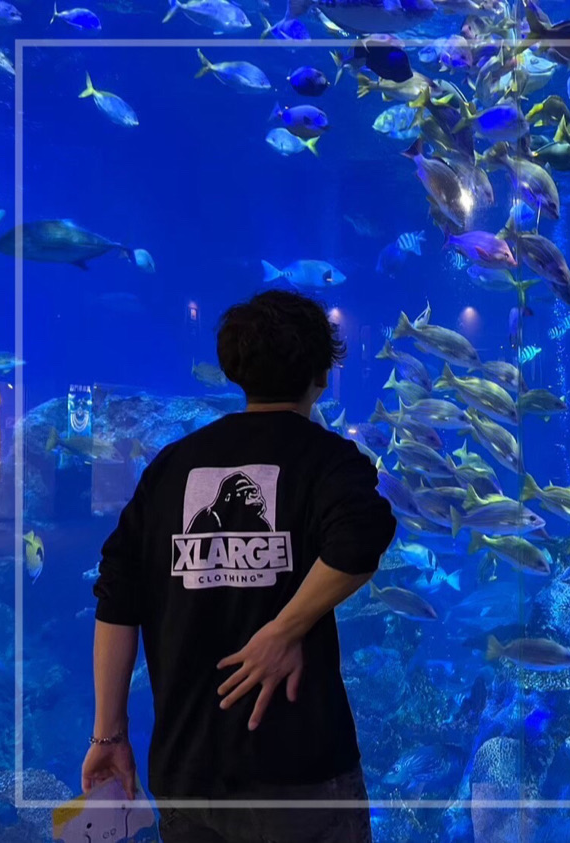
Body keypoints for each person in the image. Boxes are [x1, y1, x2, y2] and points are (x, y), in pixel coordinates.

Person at [82, 290, 397, 843]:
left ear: (233, 369)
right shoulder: (326, 461)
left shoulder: (171, 468)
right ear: (322, 374)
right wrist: (284, 630)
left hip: (188, 771)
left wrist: (108, 734)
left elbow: (116, 597)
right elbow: (360, 541)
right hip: (299, 769)